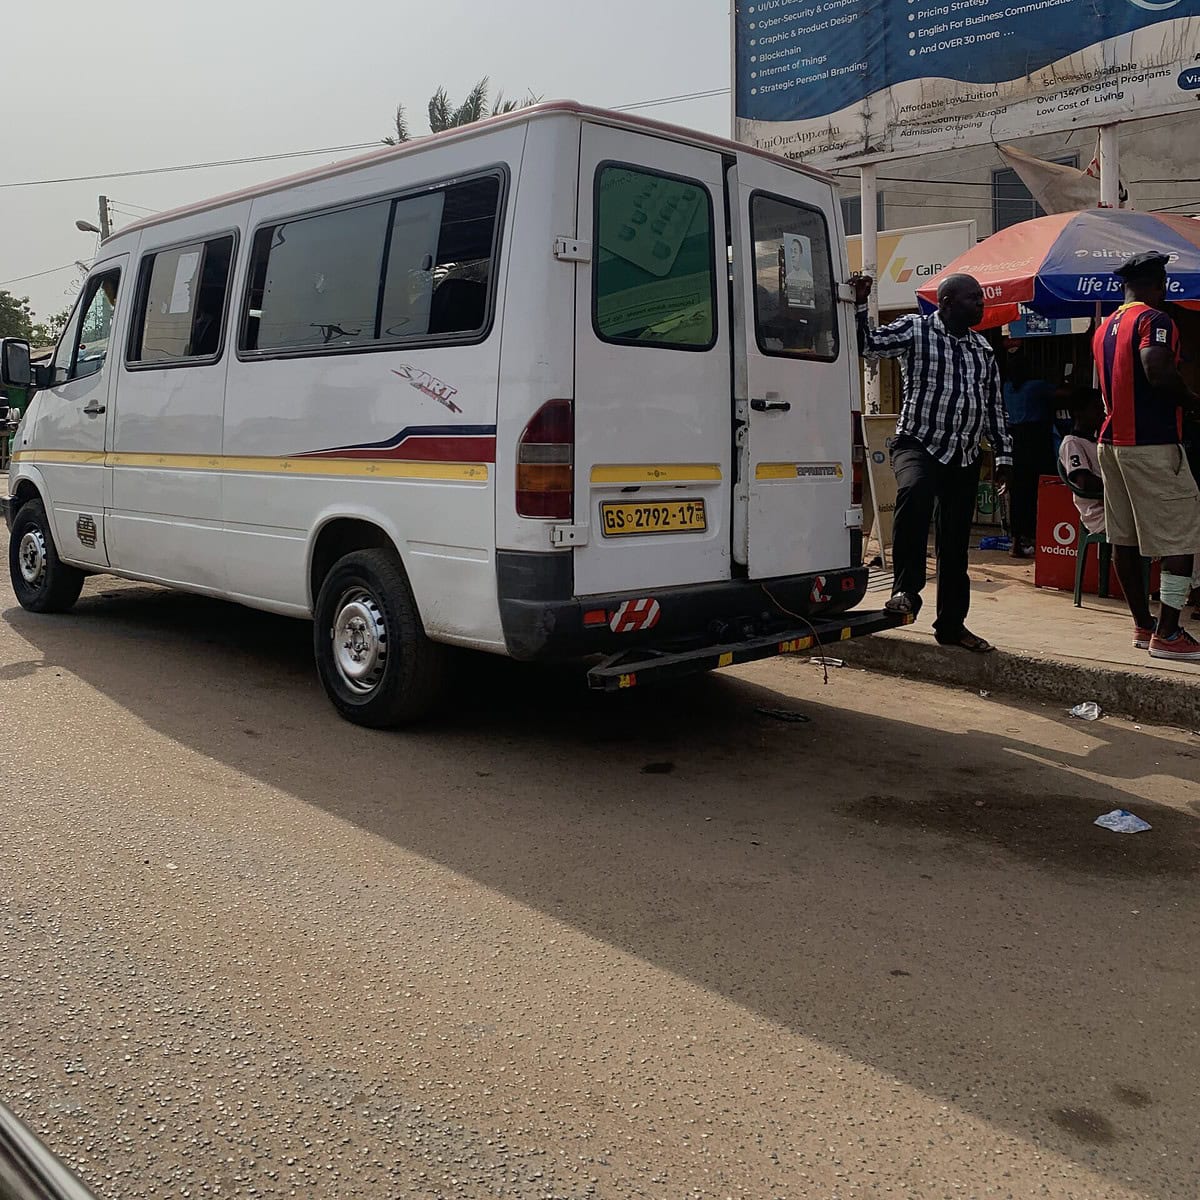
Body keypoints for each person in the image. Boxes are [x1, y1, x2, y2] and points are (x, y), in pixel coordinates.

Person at [853, 273, 1012, 653]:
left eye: (981, 298)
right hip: (917, 443)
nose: (980, 305)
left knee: (955, 543)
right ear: (946, 302)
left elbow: (993, 407)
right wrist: (861, 305)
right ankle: (906, 590)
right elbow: (869, 345)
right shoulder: (916, 329)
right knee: (914, 490)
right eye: (973, 299)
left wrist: (1005, 455)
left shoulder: (982, 350)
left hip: (963, 452)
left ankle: (952, 625)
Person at [1094, 250, 1200, 661]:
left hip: (1111, 444)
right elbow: (1156, 367)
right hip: (1152, 444)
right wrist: (1191, 402)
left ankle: (1143, 625)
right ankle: (1170, 632)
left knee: (1123, 537)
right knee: (1181, 534)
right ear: (1160, 283)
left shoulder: (1104, 327)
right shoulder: (1155, 320)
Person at [1002, 342, 1056, 557]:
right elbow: (1063, 394)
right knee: (1040, 489)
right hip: (1036, 440)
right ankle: (1039, 537)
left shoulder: (1007, 387)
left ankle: (1016, 540)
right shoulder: (1036, 386)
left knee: (1018, 492)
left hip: (1015, 441)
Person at [1058, 389, 1106, 536]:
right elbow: (1083, 482)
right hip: (1098, 513)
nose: (1102, 415)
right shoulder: (1072, 443)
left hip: (1112, 507)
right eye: (1096, 409)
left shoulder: (1097, 443)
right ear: (1079, 412)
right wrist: (1118, 487)